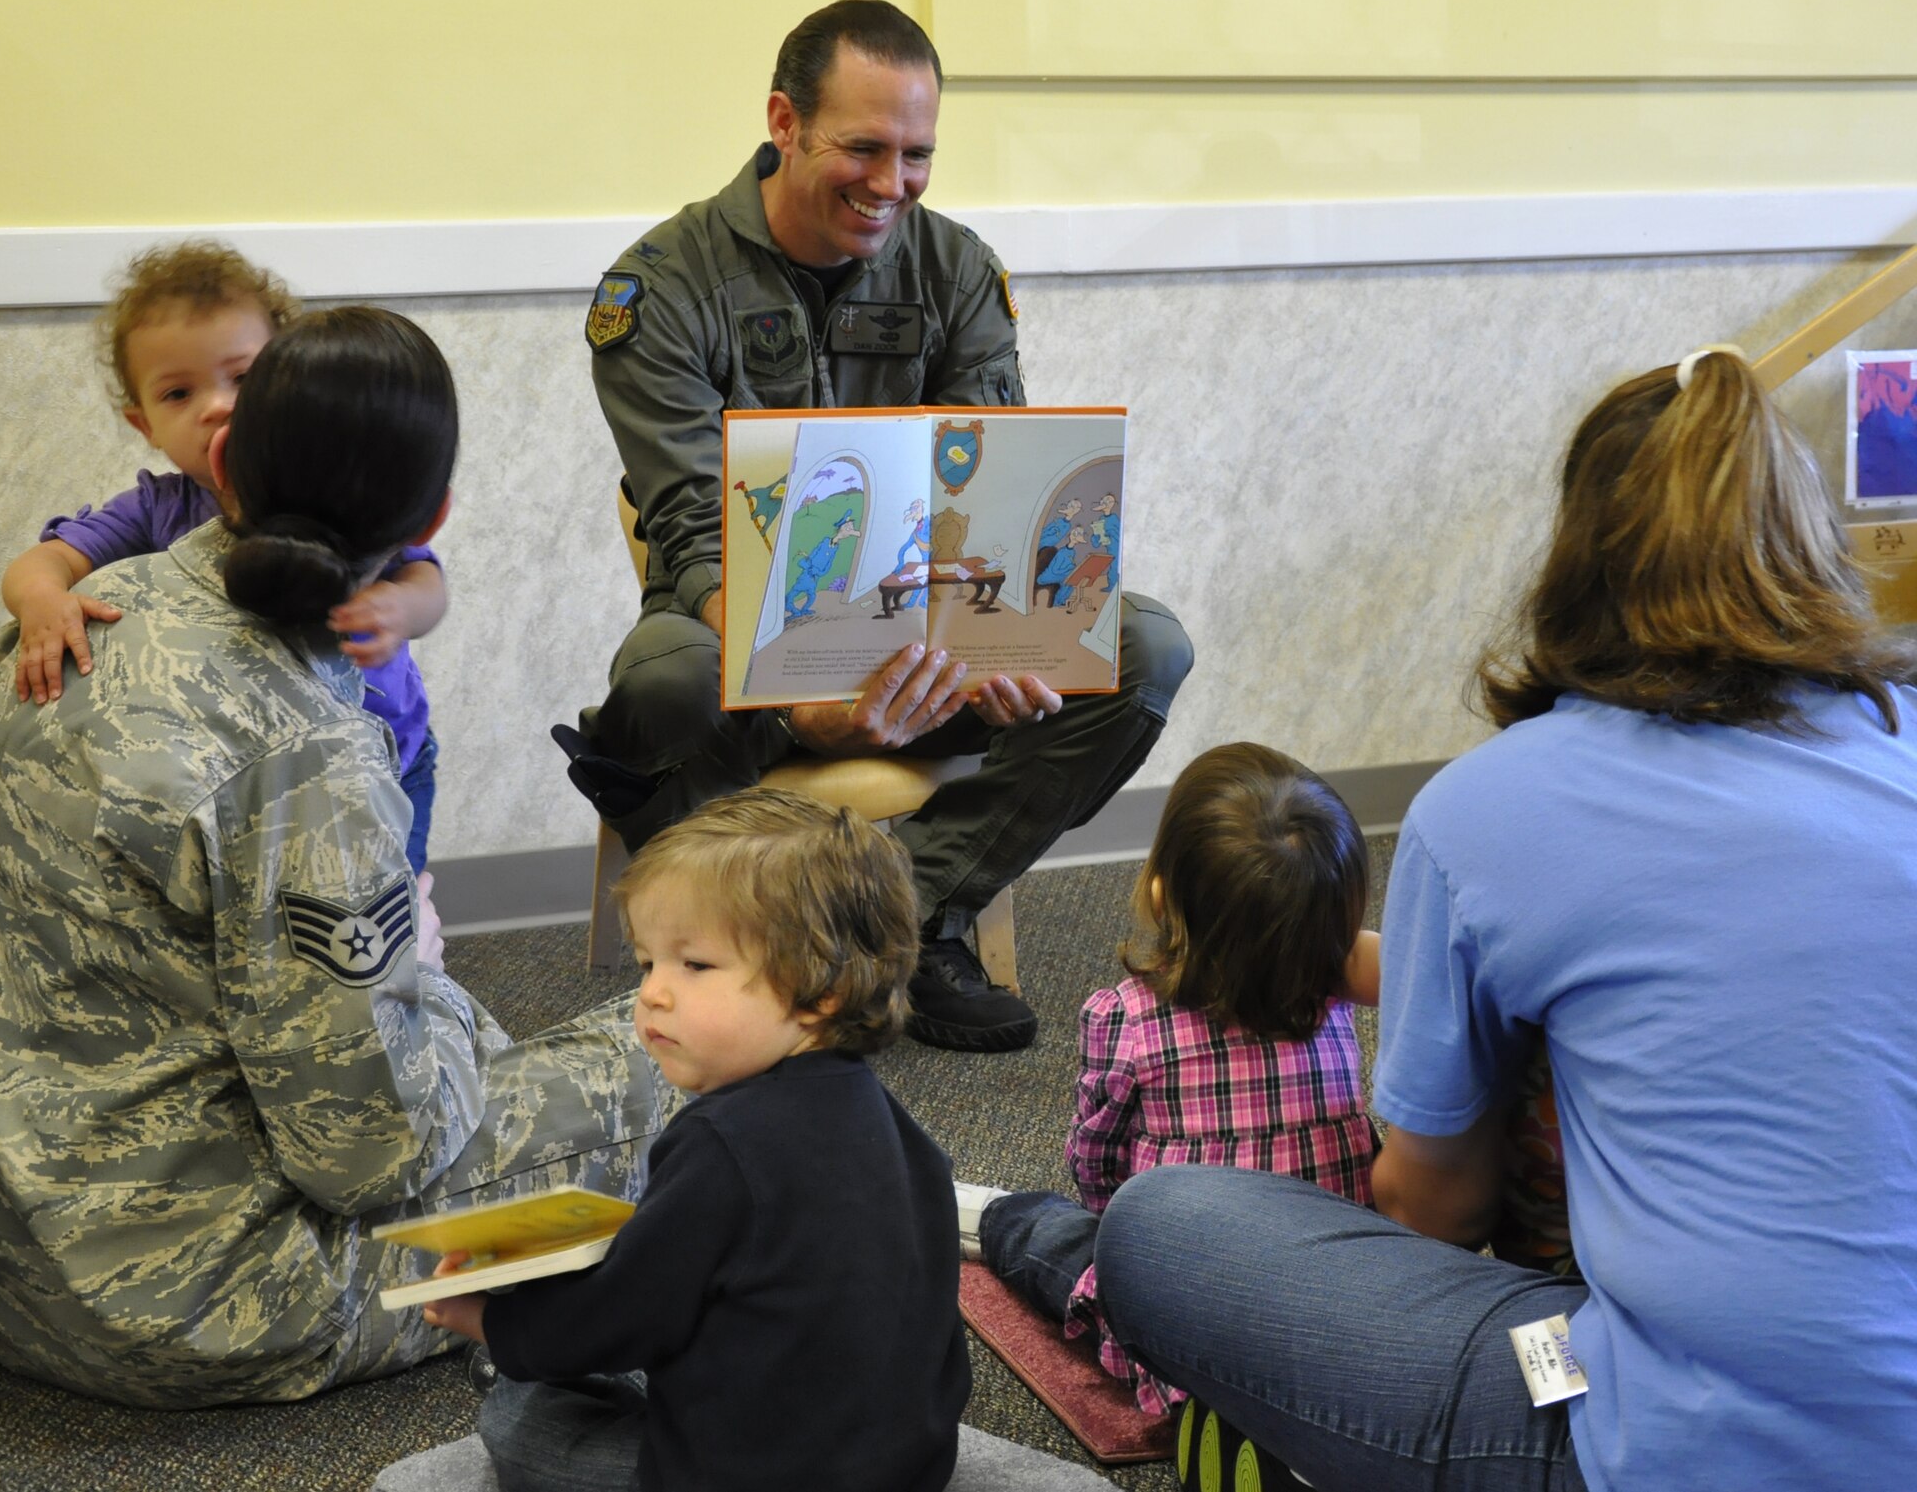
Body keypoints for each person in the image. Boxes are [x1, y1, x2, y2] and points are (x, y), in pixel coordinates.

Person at [1092, 347, 1917, 1489]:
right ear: (1810, 539)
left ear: (1577, 556)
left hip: (1664, 1432)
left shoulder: (1490, 809)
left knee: (1157, 1227)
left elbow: (1434, 1209)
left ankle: (1030, 1241)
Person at [0, 307, 663, 1408]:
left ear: (223, 458)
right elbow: (369, 1154)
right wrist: (441, 1015)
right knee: (675, 1054)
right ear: (434, 518)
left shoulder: (52, 632)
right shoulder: (307, 753)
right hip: (196, 1308)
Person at [557, 0, 1192, 1054]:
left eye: (915, 154)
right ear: (782, 121)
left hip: (929, 635)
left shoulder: (955, 271)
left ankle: (898, 917)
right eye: (862, 147)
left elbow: (988, 500)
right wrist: (808, 706)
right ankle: (728, 948)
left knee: (1141, 647)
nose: (889, 183)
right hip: (736, 642)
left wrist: (1009, 642)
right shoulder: (659, 290)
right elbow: (691, 528)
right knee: (661, 681)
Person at [422, 788, 969, 1492]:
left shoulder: (720, 1142)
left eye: (695, 966)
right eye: (649, 963)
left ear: (821, 988)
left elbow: (613, 1319)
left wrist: (492, 1320)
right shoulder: (890, 1119)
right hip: (913, 1465)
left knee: (520, 1416)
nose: (652, 993)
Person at [0, 241, 453, 871]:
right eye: (179, 394)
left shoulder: (345, 483)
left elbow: (427, 578)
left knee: (391, 917)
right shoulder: (157, 509)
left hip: (389, 757)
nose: (218, 405)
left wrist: (402, 607)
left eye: (244, 378)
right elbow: (40, 563)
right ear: (144, 426)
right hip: (241, 780)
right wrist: (43, 600)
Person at [960, 743, 1379, 1414]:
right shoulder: (1337, 1001)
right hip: (1331, 1307)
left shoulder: (1125, 1015)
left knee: (1050, 1235)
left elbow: (1094, 1164)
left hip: (1189, 1313)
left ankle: (984, 1214)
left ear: (1160, 890)